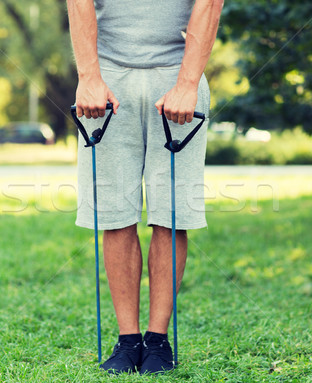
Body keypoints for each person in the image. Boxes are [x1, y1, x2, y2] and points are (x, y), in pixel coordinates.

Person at [66, 0, 223, 375]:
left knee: (171, 213)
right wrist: (89, 77)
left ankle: (157, 340)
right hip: (105, 80)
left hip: (178, 75)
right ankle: (128, 340)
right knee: (115, 212)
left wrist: (187, 83)